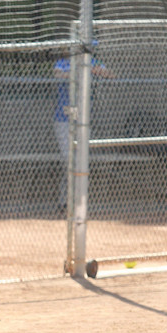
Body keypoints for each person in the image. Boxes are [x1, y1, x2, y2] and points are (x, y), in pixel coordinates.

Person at [52, 43, 114, 213]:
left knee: (81, 161)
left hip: (83, 119)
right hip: (64, 119)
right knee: (68, 160)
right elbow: (57, 74)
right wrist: (77, 73)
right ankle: (65, 201)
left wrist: (92, 70)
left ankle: (78, 202)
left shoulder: (92, 62)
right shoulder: (64, 62)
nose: (89, 52)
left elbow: (110, 74)